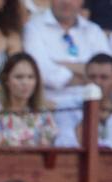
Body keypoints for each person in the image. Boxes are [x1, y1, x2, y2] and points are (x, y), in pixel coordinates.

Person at [22, 0, 111, 139]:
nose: (67, 2)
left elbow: (106, 70)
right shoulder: (33, 28)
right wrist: (88, 73)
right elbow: (42, 72)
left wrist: (59, 63)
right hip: (52, 108)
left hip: (94, 106)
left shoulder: (94, 31)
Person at [0, 52, 59, 145]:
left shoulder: (42, 112)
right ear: (6, 80)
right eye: (19, 77)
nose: (25, 82)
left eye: (31, 77)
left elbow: (47, 151)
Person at [56, 52, 112, 146]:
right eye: (92, 77)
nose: (97, 82)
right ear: (85, 79)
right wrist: (90, 117)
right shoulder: (67, 107)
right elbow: (64, 144)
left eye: (104, 77)